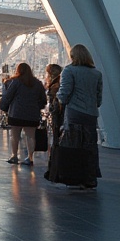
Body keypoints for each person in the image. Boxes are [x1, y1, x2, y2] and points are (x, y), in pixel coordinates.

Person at [46, 44, 103, 189]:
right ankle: (90, 178)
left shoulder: (69, 71)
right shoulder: (96, 73)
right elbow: (99, 98)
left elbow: (64, 94)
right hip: (91, 114)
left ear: (73, 57)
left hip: (74, 113)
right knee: (90, 146)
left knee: (73, 145)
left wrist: (56, 100)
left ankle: (73, 176)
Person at [0, 62, 47, 166]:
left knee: (14, 135)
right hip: (32, 114)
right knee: (31, 136)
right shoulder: (37, 83)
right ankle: (30, 157)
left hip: (16, 113)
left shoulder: (15, 82)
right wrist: (36, 107)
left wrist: (4, 107)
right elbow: (43, 100)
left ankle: (14, 156)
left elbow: (8, 96)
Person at [44, 63, 63, 145]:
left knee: (56, 130)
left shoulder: (55, 86)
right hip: (57, 110)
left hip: (56, 111)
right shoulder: (57, 83)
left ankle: (56, 151)